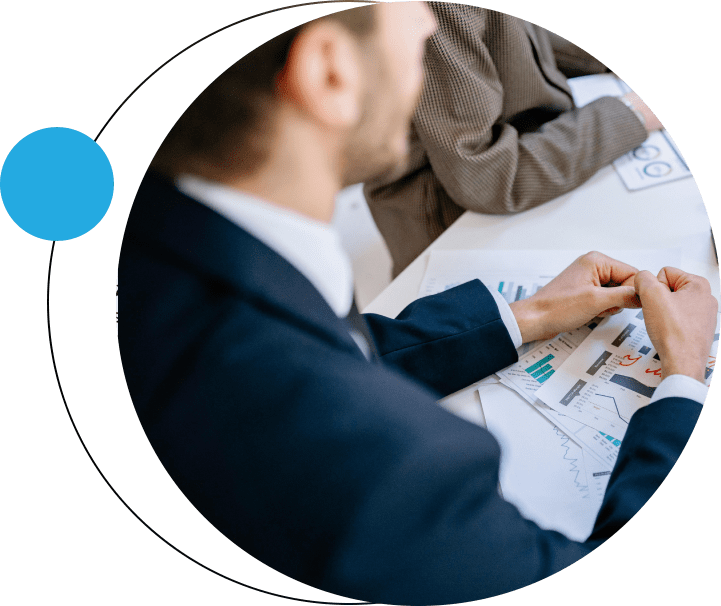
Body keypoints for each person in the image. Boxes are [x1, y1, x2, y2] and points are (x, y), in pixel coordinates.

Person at [118, 3, 714, 604]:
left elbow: (331, 349)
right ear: (330, 69)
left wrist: (523, 315)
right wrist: (685, 380)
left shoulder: (160, 249)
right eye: (412, 12)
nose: (432, 28)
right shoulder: (392, 469)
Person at [364, 2, 664, 276]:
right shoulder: (439, 9)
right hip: (457, 231)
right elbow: (487, 179)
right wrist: (631, 114)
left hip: (524, 172)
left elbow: (509, 35)